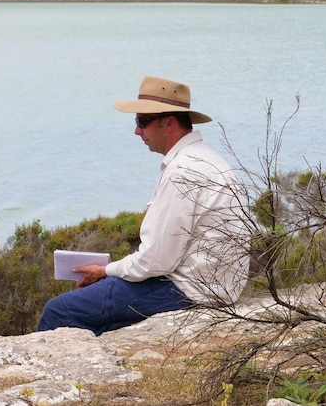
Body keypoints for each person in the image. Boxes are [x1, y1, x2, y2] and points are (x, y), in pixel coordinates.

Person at [37, 76, 251, 335]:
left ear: (169, 123)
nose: (137, 131)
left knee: (59, 310)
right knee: (104, 319)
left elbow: (157, 260)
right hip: (216, 288)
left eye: (142, 122)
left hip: (187, 290)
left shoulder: (182, 171)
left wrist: (105, 270)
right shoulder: (208, 159)